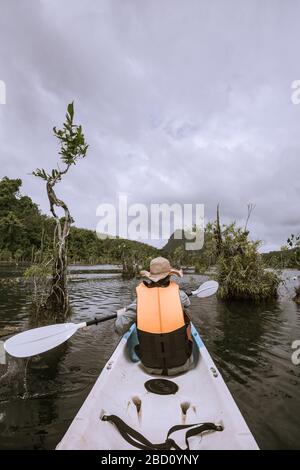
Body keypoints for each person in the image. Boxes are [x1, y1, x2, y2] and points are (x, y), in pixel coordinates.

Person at [115, 257, 194, 376]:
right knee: (187, 320)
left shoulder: (139, 301)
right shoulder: (180, 295)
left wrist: (126, 312)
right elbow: (188, 303)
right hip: (182, 364)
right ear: (170, 275)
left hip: (149, 366)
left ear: (150, 277)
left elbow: (119, 328)